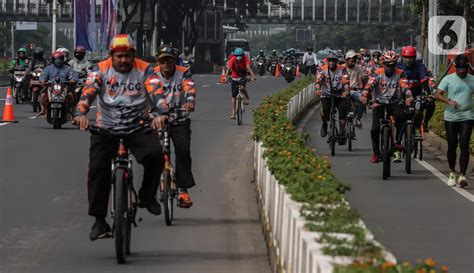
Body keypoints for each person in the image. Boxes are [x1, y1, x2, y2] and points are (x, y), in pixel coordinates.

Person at [72, 34, 165, 241]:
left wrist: (162, 113)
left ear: (134, 55)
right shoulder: (100, 70)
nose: (123, 61)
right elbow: (88, 93)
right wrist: (80, 114)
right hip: (106, 128)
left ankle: (147, 196)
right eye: (119, 56)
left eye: (128, 56)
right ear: (112, 56)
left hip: (138, 126)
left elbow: (157, 92)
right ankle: (99, 221)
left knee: (156, 156)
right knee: (97, 170)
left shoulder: (146, 70)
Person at [148, 44, 197, 208]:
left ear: (174, 61)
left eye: (169, 60)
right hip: (157, 120)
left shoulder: (183, 72)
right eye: (163, 60)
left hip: (179, 119)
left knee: (183, 151)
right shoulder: (152, 74)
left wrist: (189, 102)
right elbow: (151, 92)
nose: (166, 64)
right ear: (158, 62)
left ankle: (183, 190)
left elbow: (189, 87)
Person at [434, 54, 473, 188]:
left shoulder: (472, 80)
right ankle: (452, 171)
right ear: (455, 68)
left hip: (467, 116)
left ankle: (462, 175)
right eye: (459, 69)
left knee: (464, 144)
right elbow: (437, 94)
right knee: (451, 145)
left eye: (464, 69)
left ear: (467, 67)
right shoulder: (448, 79)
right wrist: (448, 101)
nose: (461, 72)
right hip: (451, 117)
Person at [364, 51, 409, 163]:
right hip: (379, 103)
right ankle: (376, 153)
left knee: (402, 116)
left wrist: (408, 96)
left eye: (393, 64)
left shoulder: (400, 73)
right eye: (388, 64)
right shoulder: (377, 73)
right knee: (374, 129)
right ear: (383, 63)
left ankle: (397, 142)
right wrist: (365, 94)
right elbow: (369, 84)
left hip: (395, 103)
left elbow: (405, 85)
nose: (390, 67)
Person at [397, 45, 435, 132]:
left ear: (414, 58)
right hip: (400, 95)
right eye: (406, 58)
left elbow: (424, 81)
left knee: (431, 104)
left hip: (416, 94)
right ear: (402, 57)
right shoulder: (397, 66)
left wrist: (428, 94)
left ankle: (424, 123)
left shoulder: (420, 66)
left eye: (410, 58)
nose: (408, 60)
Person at [316, 52, 350, 142]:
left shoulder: (343, 69)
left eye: (334, 60)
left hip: (340, 95)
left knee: (343, 112)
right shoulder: (322, 70)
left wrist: (346, 91)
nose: (332, 62)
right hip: (326, 95)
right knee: (325, 110)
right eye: (330, 60)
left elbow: (345, 82)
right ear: (327, 61)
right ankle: (324, 124)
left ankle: (342, 130)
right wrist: (318, 90)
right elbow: (318, 81)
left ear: (337, 61)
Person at [39, 51, 77, 117]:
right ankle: (44, 110)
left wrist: (72, 80)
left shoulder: (68, 68)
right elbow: (43, 75)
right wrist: (42, 80)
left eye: (60, 59)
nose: (58, 61)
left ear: (63, 59)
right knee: (42, 95)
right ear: (53, 60)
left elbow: (73, 76)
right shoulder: (48, 68)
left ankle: (68, 111)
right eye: (56, 59)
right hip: (51, 85)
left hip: (64, 86)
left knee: (71, 95)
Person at [224, 47, 256, 119]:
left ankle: (247, 97)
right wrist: (225, 77)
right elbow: (228, 69)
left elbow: (248, 67)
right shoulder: (233, 59)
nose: (238, 57)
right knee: (234, 96)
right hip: (234, 78)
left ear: (242, 55)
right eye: (237, 55)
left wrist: (253, 75)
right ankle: (233, 112)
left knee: (242, 88)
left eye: (240, 55)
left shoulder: (245, 58)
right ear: (235, 55)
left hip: (242, 77)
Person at [344, 50, 365, 128]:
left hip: (354, 90)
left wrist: (362, 92)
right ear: (346, 60)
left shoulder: (358, 68)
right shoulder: (342, 68)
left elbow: (360, 81)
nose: (353, 63)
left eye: (355, 61)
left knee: (363, 100)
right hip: (343, 91)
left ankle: (358, 119)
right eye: (351, 61)